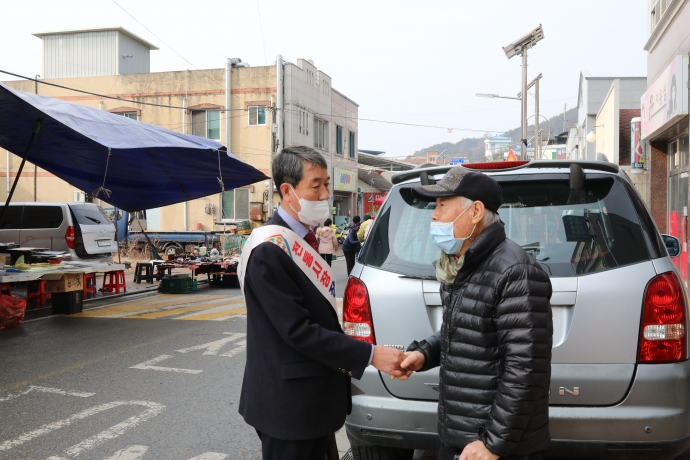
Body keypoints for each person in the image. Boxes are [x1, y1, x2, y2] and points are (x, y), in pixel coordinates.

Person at [239, 146, 408, 460]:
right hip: (288, 406)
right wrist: (371, 355)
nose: (325, 194)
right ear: (288, 191)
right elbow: (299, 331)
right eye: (315, 185)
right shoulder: (270, 249)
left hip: (311, 403)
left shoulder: (305, 240)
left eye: (327, 184)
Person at [398, 169, 553, 460]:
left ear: (475, 212)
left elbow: (525, 370)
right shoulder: (461, 265)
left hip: (498, 446)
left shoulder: (515, 271)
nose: (433, 216)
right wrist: (425, 354)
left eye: (442, 205)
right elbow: (465, 332)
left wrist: (493, 443)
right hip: (461, 433)